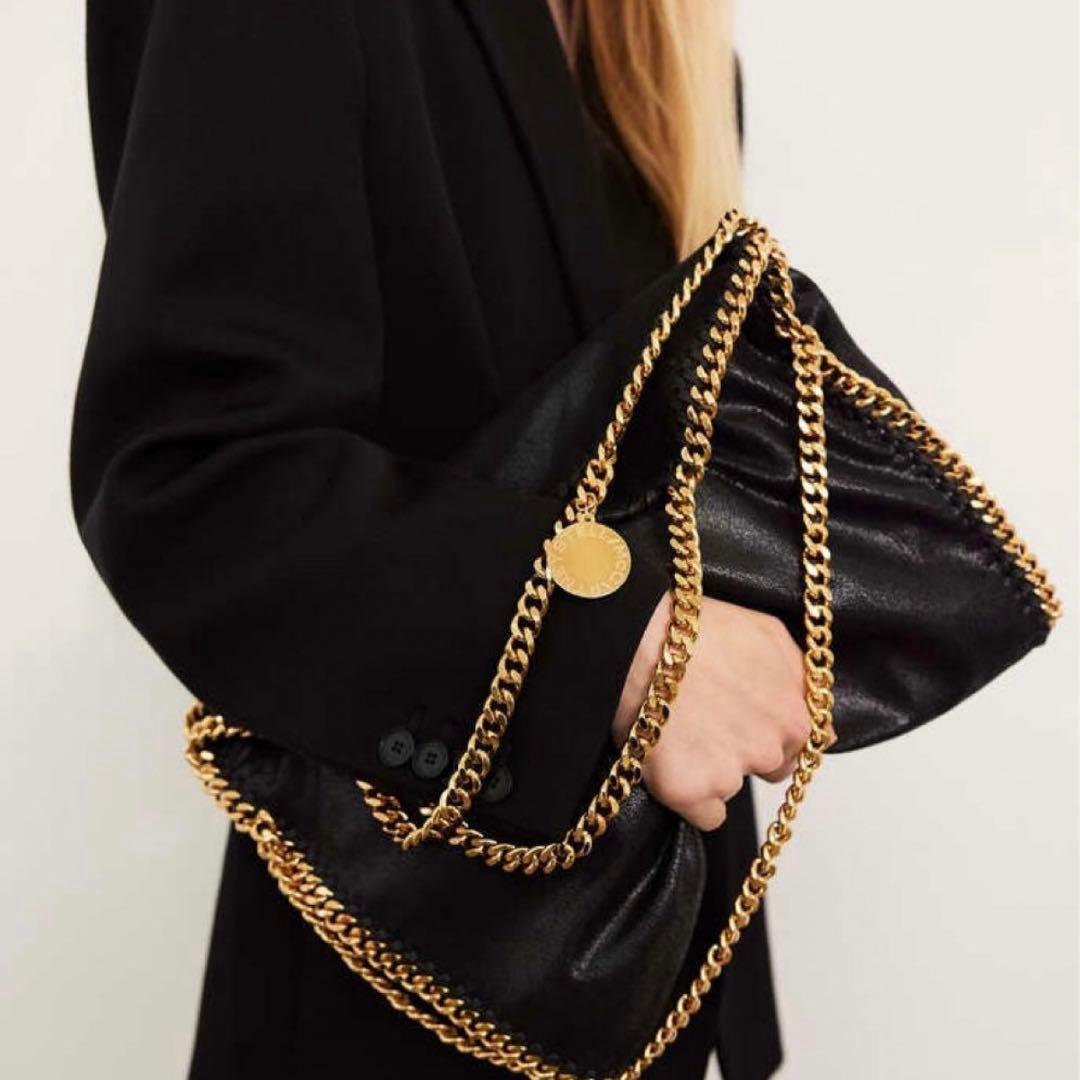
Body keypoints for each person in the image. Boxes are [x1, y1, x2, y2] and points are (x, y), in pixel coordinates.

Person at [72, 2, 807, 1076]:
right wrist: (621, 643)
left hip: (656, 986)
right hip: (393, 994)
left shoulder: (669, 55)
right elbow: (193, 476)